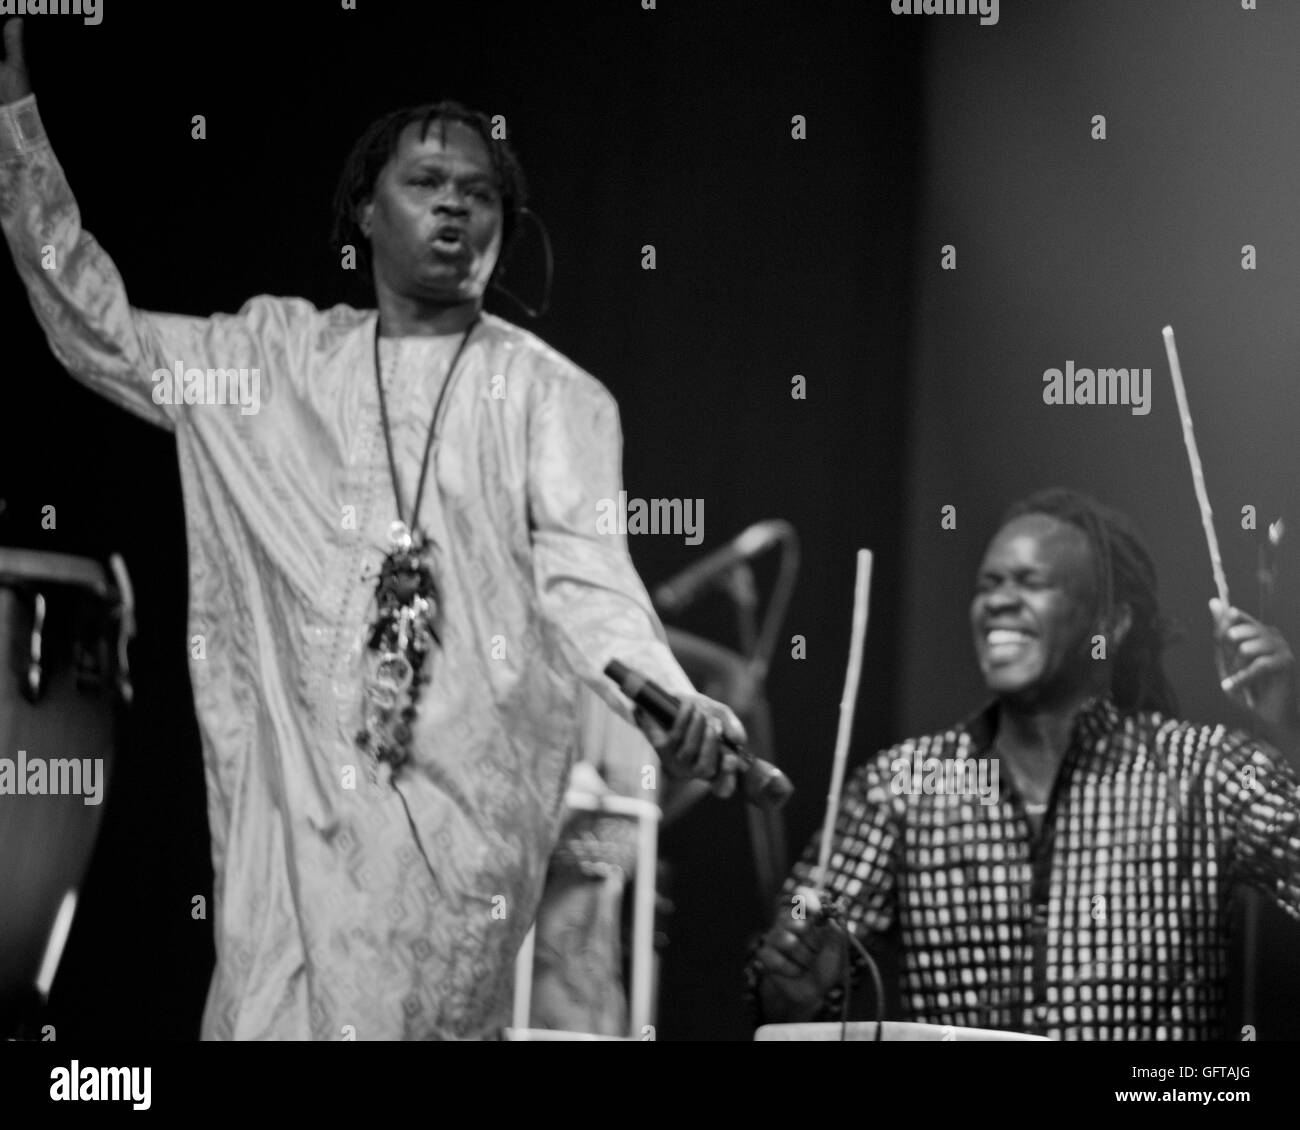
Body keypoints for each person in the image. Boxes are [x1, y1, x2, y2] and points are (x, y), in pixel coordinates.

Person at [0, 18, 743, 1040]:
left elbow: (588, 574)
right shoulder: (270, 367)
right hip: (291, 836)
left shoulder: (552, 398)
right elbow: (98, 328)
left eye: (480, 192)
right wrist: (15, 131)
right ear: (364, 208)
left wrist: (660, 689)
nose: (454, 203)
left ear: (504, 225)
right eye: (427, 181)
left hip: (447, 844)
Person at [749, 487, 1300, 1040]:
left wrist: (1291, 724)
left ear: (1110, 622)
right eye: (988, 585)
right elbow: (780, 1008)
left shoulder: (1205, 771)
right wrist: (794, 985)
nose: (1000, 601)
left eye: (1031, 582)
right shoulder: (903, 785)